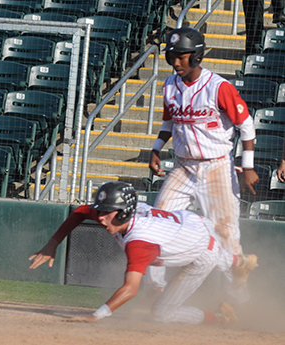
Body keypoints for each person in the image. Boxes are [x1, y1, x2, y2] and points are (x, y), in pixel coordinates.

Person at [29, 182, 258, 324]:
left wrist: (97, 315)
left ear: (123, 214)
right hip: (190, 223)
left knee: (161, 314)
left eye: (107, 212)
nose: (100, 217)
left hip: (199, 250)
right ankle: (237, 262)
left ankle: (220, 317)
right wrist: (53, 244)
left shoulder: (139, 241)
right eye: (100, 211)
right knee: (196, 242)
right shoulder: (117, 216)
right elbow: (80, 212)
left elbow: (131, 289)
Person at [147, 27, 259, 292]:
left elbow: (247, 126)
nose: (176, 61)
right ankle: (155, 291)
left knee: (226, 233)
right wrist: (157, 147)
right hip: (183, 166)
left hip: (216, 166)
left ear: (196, 56)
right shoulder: (170, 85)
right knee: (157, 223)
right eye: (172, 56)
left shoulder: (218, 87)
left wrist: (249, 166)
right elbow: (170, 120)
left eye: (182, 56)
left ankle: (238, 299)